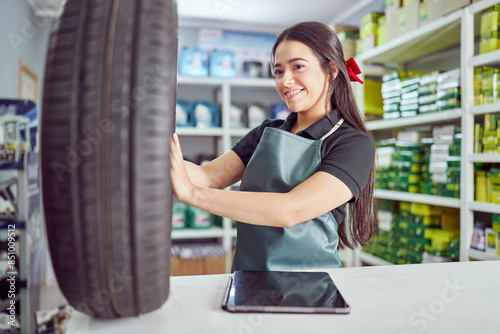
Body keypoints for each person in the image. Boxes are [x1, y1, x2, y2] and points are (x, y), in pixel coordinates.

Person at [170, 21, 377, 272]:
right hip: (247, 275)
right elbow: (208, 176)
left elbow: (289, 210)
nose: (285, 81)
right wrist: (151, 150)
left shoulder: (352, 143)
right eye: (279, 72)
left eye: (298, 67)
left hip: (310, 284)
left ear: (331, 70)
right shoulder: (266, 132)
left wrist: (193, 195)